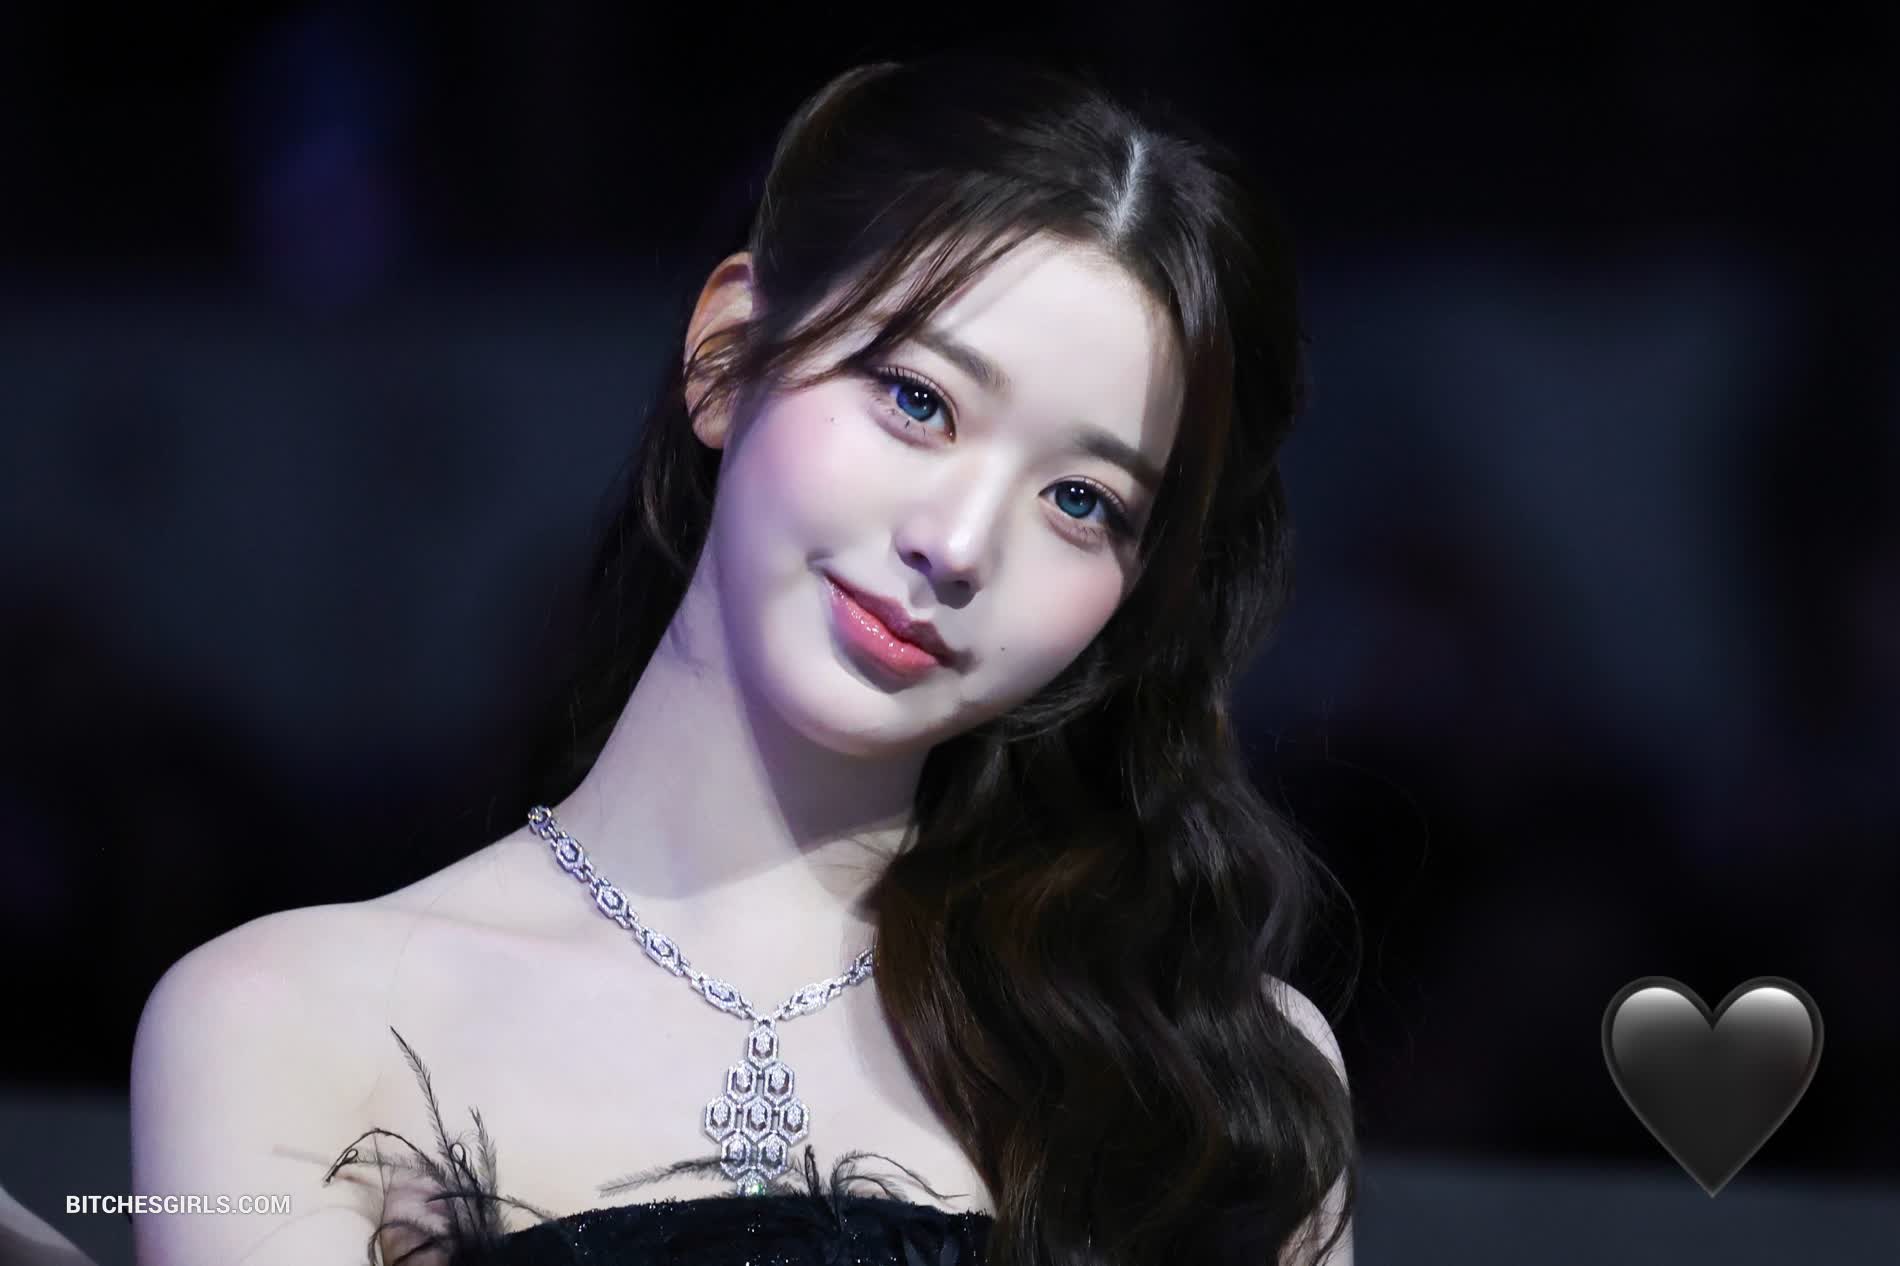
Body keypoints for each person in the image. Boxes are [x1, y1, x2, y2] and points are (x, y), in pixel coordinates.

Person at [128, 52, 1358, 1266]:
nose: (956, 546)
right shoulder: (291, 1026)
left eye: (1080, 501)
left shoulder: (1220, 1087)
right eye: (918, 400)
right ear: (725, 354)